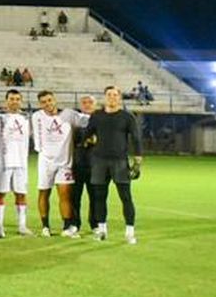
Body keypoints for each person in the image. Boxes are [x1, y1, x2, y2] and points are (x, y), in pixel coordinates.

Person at [79, 85, 143, 243]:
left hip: (120, 161)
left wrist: (138, 158)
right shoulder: (96, 116)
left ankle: (129, 232)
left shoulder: (127, 117)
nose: (112, 97)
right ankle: (101, 230)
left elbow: (136, 138)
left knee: (126, 197)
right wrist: (89, 140)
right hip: (99, 161)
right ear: (105, 97)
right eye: (109, 94)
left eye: (115, 95)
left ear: (119, 98)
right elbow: (87, 134)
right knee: (99, 197)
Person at [31, 89, 85, 237]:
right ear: (40, 104)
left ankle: (66, 227)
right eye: (43, 102)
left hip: (64, 162)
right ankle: (45, 226)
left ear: (55, 100)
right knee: (44, 192)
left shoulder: (69, 114)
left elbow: (88, 120)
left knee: (65, 194)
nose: (47, 104)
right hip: (45, 162)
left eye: (49, 100)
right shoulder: (36, 117)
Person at [0, 89, 32, 235]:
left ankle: (22, 226)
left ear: (21, 101)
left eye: (17, 99)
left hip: (21, 161)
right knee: (0, 194)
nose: (14, 101)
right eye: (11, 99)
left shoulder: (26, 118)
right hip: (3, 161)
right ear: (6, 100)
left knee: (21, 194)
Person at [68, 94, 98, 233]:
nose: (87, 104)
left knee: (95, 196)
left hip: (96, 165)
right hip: (78, 163)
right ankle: (75, 224)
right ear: (80, 105)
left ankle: (95, 224)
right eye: (84, 102)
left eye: (90, 102)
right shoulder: (75, 122)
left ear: (95, 104)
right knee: (75, 196)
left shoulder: (101, 120)